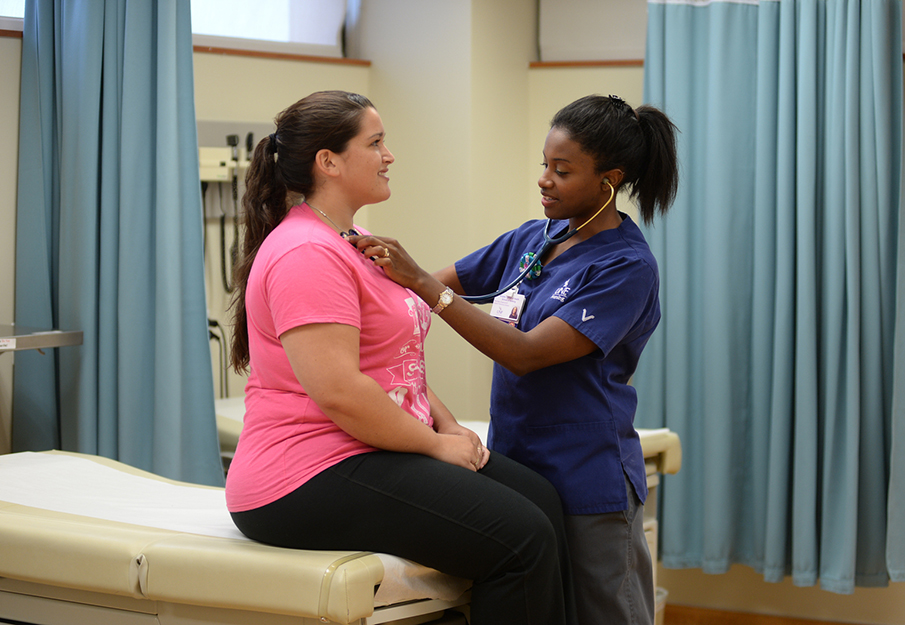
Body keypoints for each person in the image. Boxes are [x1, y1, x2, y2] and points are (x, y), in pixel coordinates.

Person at [224, 90, 577, 625]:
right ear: (329, 162)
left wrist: (450, 426)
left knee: (542, 502)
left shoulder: (355, 239)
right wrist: (434, 447)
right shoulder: (305, 254)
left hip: (366, 446)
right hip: (305, 473)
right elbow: (342, 391)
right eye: (376, 143)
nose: (389, 155)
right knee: (521, 540)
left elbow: (396, 359)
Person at [350, 94, 679, 625]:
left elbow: (525, 354)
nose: (545, 180)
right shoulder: (533, 239)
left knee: (602, 614)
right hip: (519, 464)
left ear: (609, 179)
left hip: (586, 476)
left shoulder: (626, 266)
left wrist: (422, 284)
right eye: (544, 165)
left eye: (562, 170)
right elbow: (418, 292)